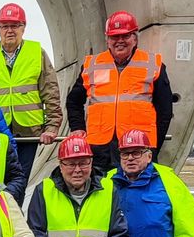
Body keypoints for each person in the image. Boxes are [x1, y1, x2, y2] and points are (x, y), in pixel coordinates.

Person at [66, 10, 173, 172]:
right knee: (103, 193)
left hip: (138, 148)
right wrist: (78, 128)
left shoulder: (153, 64)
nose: (120, 41)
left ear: (135, 38)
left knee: (137, 192)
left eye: (126, 36)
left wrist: (153, 145)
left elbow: (165, 109)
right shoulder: (92, 65)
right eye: (115, 37)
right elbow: (73, 100)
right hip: (100, 147)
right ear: (107, 39)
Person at [0, 3, 62, 181]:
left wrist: (52, 126)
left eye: (15, 26)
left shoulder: (36, 52)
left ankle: (16, 209)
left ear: (23, 27)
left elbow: (50, 90)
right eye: (5, 26)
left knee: (21, 181)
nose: (10, 31)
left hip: (29, 131)